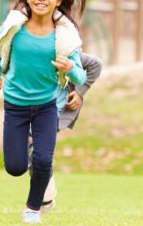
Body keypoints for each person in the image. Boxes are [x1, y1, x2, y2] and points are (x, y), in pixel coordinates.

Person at [0, 0, 86, 224]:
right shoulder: (14, 26)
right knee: (16, 167)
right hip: (15, 106)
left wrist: (70, 68)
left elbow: (81, 78)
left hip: (47, 106)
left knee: (43, 160)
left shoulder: (64, 35)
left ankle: (32, 208)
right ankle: (28, 156)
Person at [35, 51, 102, 213]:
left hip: (55, 109)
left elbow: (95, 64)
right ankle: (45, 196)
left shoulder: (62, 51)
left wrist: (79, 92)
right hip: (29, 104)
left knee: (37, 149)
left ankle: (44, 198)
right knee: (28, 155)